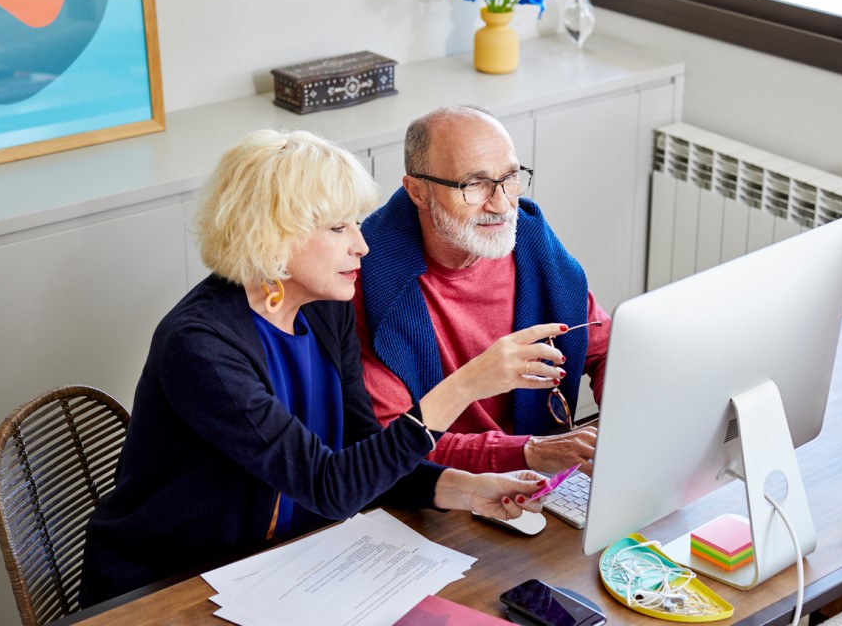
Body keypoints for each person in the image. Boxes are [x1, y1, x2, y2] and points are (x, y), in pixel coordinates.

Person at [80, 129, 566, 606]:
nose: (362, 246)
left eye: (354, 224)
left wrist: (461, 489)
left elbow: (360, 453)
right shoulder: (201, 347)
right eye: (338, 229)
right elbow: (330, 488)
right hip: (170, 589)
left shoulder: (323, 305)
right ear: (273, 237)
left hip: (288, 567)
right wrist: (463, 387)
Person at [356, 106, 609, 476]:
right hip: (442, 492)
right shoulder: (370, 276)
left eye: (509, 178)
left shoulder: (531, 239)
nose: (503, 203)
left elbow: (605, 351)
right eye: (474, 184)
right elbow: (391, 442)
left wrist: (626, 422)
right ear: (418, 192)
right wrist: (527, 452)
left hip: (545, 477)